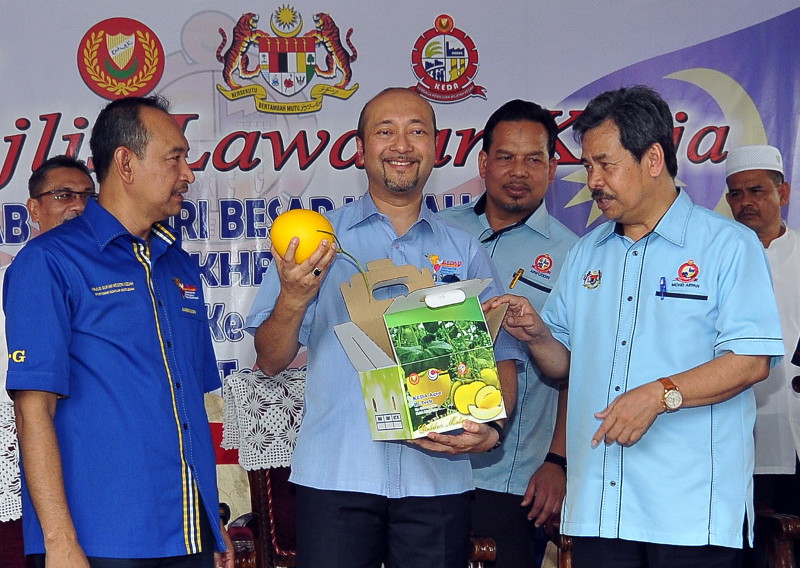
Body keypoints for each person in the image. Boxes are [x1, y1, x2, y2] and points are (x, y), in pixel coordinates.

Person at [485, 86, 784, 568]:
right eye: (587, 167)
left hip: (690, 514)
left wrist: (660, 394)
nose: (593, 181)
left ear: (652, 159)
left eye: (606, 164)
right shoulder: (587, 252)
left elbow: (750, 362)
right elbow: (564, 368)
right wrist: (538, 335)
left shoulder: (726, 246)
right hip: (600, 510)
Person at [245, 87, 521, 568]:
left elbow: (501, 359)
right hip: (337, 475)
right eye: (384, 131)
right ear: (360, 148)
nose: (401, 145)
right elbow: (269, 360)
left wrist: (493, 429)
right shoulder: (315, 240)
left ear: (435, 148)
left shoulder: (466, 249)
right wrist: (292, 298)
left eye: (417, 131)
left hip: (438, 477)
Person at [5, 96, 233, 567]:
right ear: (126, 163)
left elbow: (187, 404)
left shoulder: (179, 264)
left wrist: (213, 524)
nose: (188, 174)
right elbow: (33, 413)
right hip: (99, 541)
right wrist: (60, 543)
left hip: (189, 534)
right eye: (175, 158)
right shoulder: (48, 262)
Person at [438, 99, 577, 568]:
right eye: (505, 157)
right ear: (483, 163)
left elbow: (578, 370)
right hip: (430, 464)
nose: (519, 171)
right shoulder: (438, 234)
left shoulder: (575, 254)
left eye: (534, 158)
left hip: (515, 477)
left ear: (553, 167)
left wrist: (557, 462)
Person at [0, 155, 95, 568]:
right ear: (33, 209)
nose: (78, 206)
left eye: (89, 197)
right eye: (64, 195)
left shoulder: (115, 267)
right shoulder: (32, 266)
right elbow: (32, 399)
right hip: (45, 451)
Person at [725, 144, 800, 564]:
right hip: (741, 432)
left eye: (756, 190)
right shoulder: (719, 258)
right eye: (735, 194)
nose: (745, 202)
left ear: (783, 193)